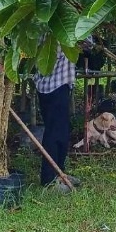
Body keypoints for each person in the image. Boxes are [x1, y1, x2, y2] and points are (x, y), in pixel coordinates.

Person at [34, 44, 90, 191]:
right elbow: (87, 42)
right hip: (54, 86)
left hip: (57, 85)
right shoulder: (56, 31)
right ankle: (49, 180)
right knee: (54, 134)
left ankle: (59, 173)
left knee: (62, 132)